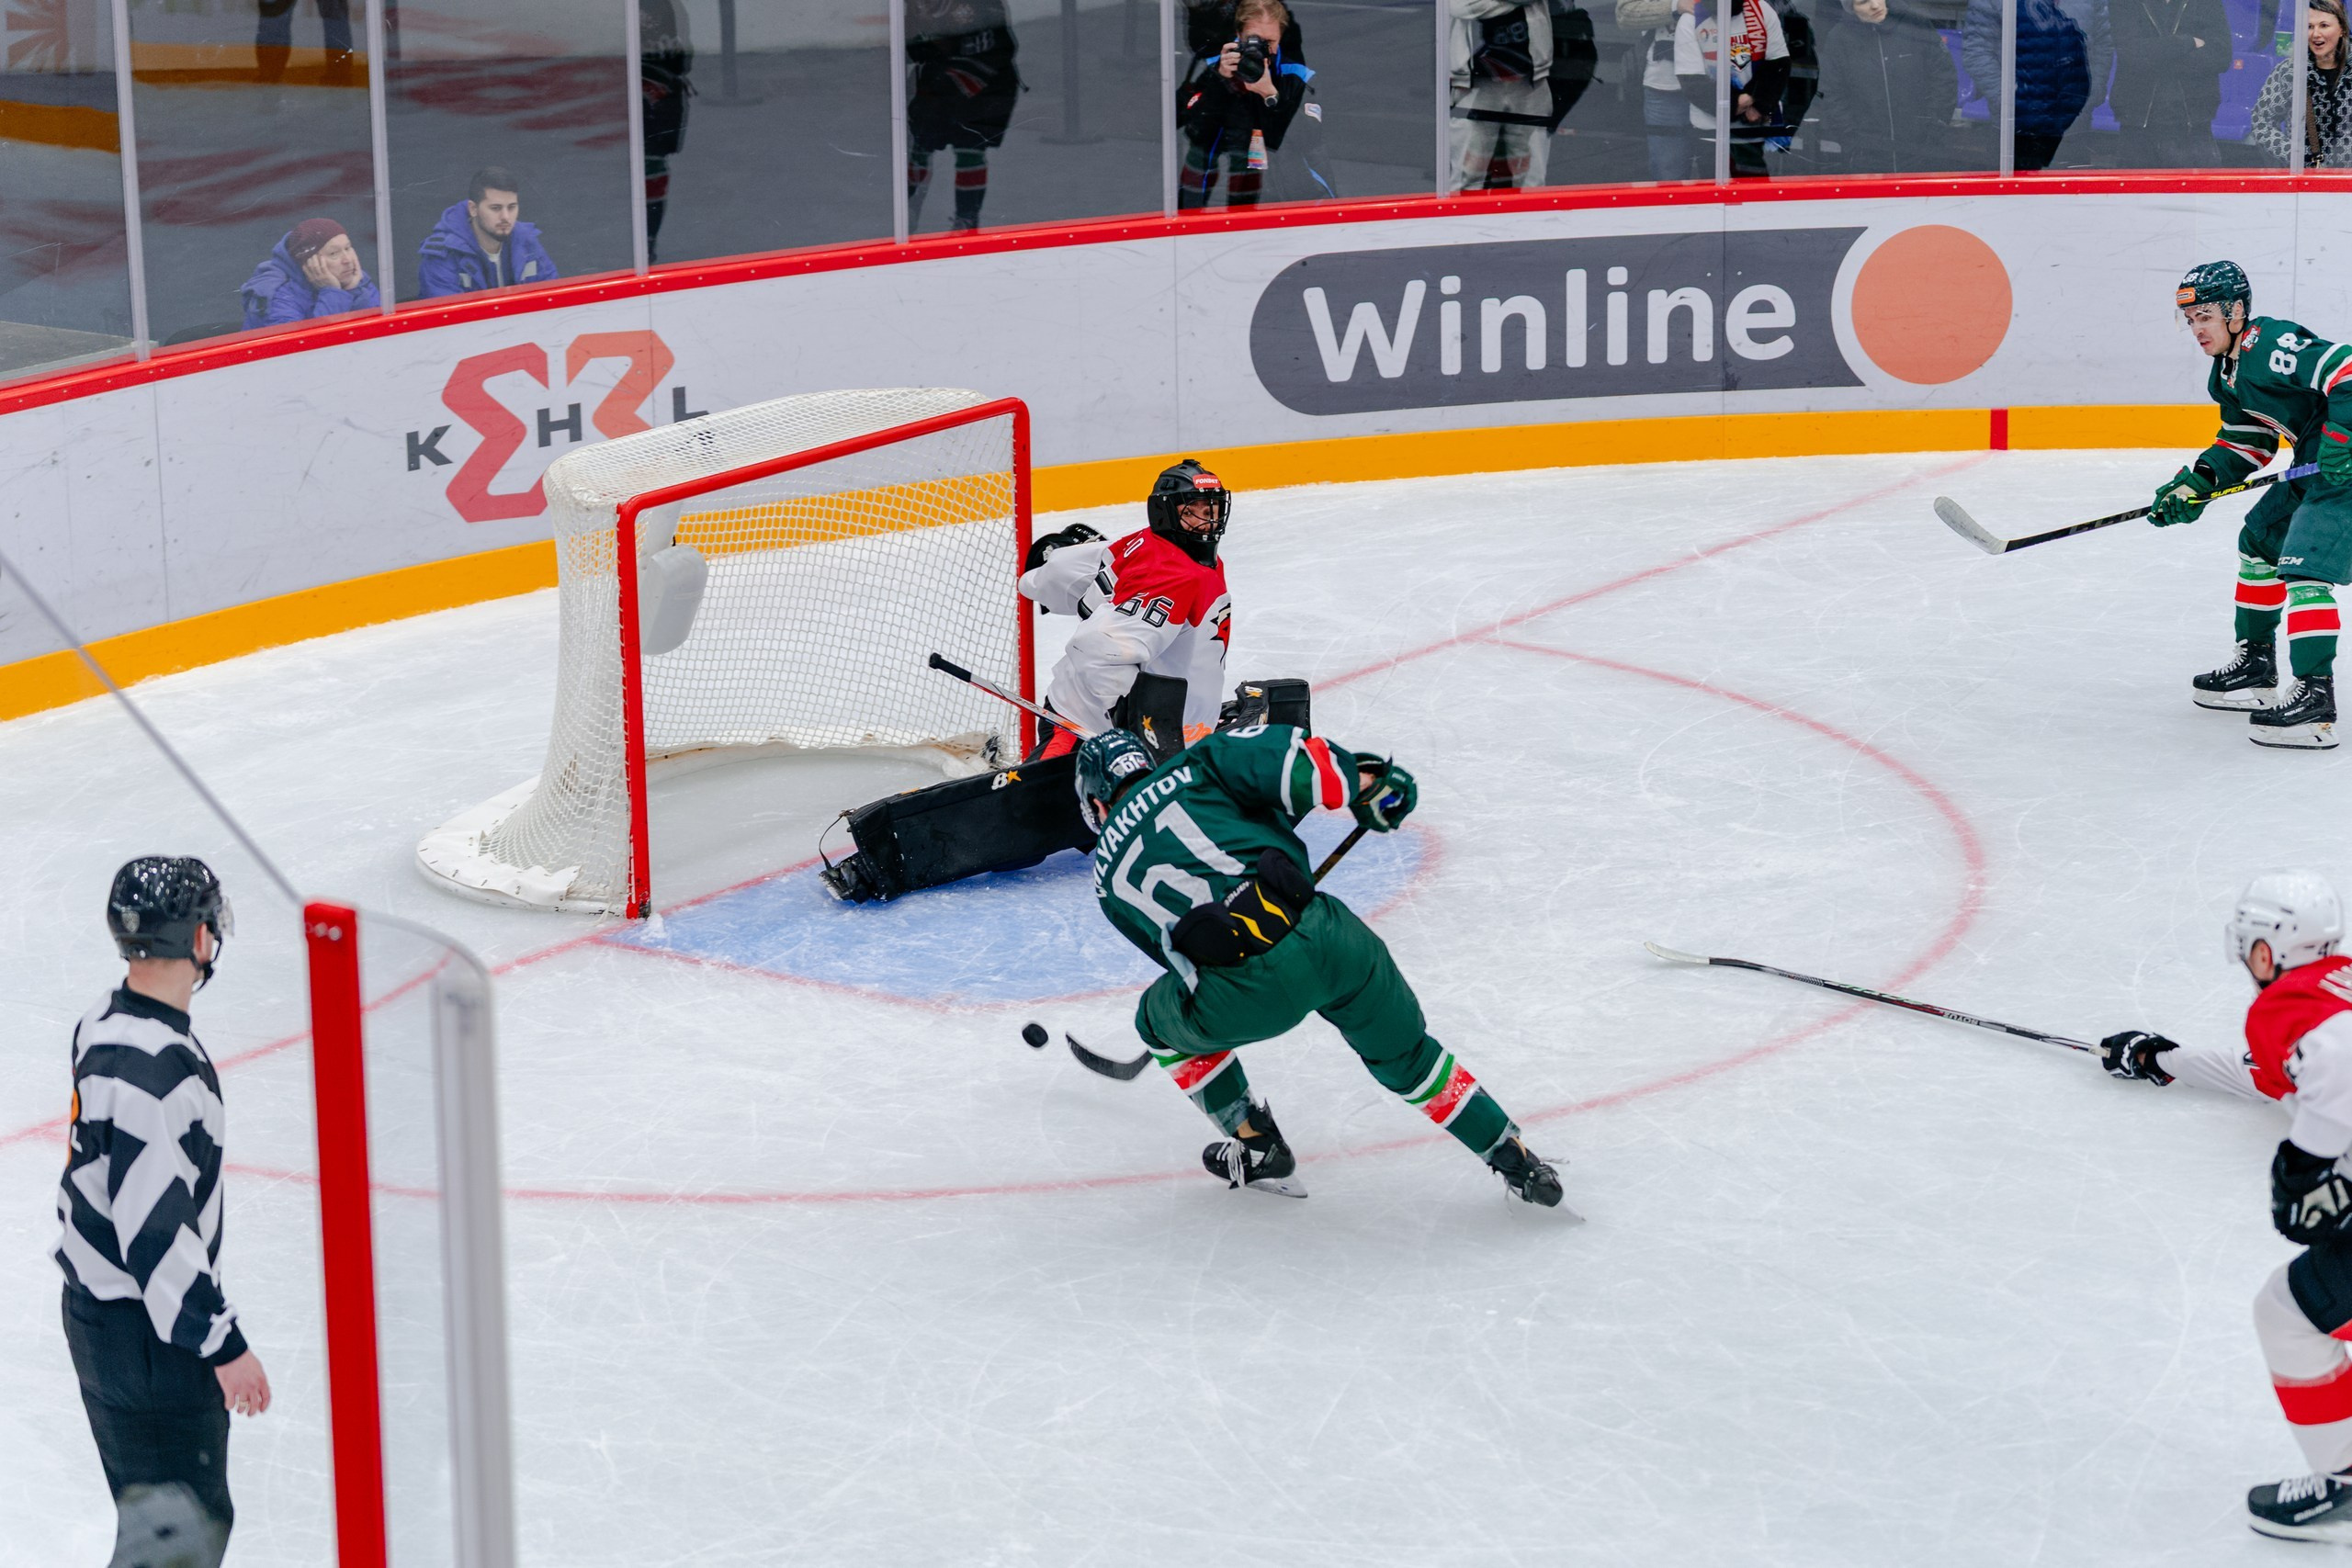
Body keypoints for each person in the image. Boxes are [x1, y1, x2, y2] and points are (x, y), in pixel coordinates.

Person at [1070, 725, 1566, 1205]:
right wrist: (1366, 786)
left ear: (1098, 803)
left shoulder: (1105, 880)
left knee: (1155, 1023)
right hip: (1331, 939)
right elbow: (1299, 767)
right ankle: (1512, 1155)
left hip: (1244, 996)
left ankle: (1256, 1143)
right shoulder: (1203, 762)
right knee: (1409, 1058)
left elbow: (1182, 961)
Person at [818, 462, 1249, 905]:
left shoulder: (1149, 545)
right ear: (1165, 513)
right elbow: (1100, 651)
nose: (1207, 520)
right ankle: (877, 861)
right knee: (1023, 820)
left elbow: (1072, 564)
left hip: (1159, 729)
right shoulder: (1175, 575)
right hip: (1095, 729)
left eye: (1212, 508)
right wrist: (1104, 728)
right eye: (1194, 511)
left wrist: (1039, 575)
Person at [2100, 872, 2352, 1539]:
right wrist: (2163, 1059)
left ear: (2267, 952)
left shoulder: (2298, 1012)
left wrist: (2310, 1161)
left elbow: (2335, 1065)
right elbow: (2272, 1076)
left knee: (2288, 1314)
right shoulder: (2334, 986)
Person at [56, 857, 267, 1567]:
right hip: (149, 1334)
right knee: (181, 1535)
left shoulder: (103, 1019)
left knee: (160, 1522)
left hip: (99, 1318)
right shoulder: (160, 1072)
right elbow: (153, 1230)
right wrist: (222, 1343)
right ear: (199, 939)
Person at [2152, 260, 2351, 749]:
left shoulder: (2269, 344)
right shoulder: (2227, 374)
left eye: (2205, 317)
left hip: (2344, 470)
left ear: (2236, 311)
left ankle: (2314, 698)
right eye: (2191, 320)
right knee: (2259, 541)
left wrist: (2343, 435)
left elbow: (2347, 367)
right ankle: (2258, 666)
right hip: (2316, 464)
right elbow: (2248, 442)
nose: (2197, 330)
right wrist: (2195, 483)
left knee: (2303, 567)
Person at [1178, 0, 1315, 209]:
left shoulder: (1290, 70)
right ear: (1238, 36)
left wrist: (1270, 93)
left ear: (1281, 38)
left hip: (1253, 155)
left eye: (1269, 42)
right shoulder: (1220, 59)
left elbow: (1289, 138)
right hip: (1209, 150)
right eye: (1254, 40)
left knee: (1245, 210)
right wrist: (1221, 79)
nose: (1260, 49)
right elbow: (1198, 130)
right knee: (1191, 200)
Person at [905, 0, 1021, 233]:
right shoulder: (913, 4)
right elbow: (910, 45)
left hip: (987, 80)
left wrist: (942, 49)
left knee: (970, 147)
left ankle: (967, 219)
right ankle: (908, 209)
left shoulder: (981, 5)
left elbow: (1000, 46)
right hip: (938, 77)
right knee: (919, 143)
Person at [1962, 0, 2105, 169]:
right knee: (2012, 193)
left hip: (2074, 129)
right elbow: (1976, 50)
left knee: (2071, 193)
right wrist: (2011, 102)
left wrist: (2086, 96)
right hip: (2014, 132)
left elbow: (2104, 46)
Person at [1819, 0, 1958, 173]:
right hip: (1866, 157)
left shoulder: (1915, 25)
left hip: (1921, 151)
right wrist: (1852, 139)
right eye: (1863, 2)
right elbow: (1831, 93)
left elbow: (1944, 77)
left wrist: (1935, 126)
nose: (1875, 5)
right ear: (1851, 9)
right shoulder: (1839, 38)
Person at [1675, 0, 1791, 177]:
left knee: (1757, 195)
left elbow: (1778, 63)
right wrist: (1737, 103)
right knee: (1713, 196)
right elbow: (1692, 81)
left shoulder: (1761, 9)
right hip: (1710, 129)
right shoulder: (1691, 18)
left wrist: (1756, 102)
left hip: (1757, 125)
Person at [1450, 0, 1555, 190]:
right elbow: (1457, 6)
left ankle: (1530, 218)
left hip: (1529, 79)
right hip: (1475, 81)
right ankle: (1465, 219)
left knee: (1531, 178)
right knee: (1469, 174)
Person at [2109, 0, 2228, 166]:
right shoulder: (2126, 3)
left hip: (2193, 125)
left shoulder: (2205, 3)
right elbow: (2133, 54)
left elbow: (2221, 57)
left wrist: (2159, 57)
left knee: (2198, 192)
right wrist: (2188, 42)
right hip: (2137, 125)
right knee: (2136, 192)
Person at [416, 168, 560, 299]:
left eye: (511, 207)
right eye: (496, 208)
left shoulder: (528, 242)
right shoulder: (443, 255)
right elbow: (449, 317)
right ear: (473, 209)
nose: (506, 217)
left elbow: (553, 298)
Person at [2251, 0, 2352, 167]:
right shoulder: (2290, 71)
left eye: (2324, 25)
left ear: (2342, 29)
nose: (2315, 34)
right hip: (2306, 180)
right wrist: (2297, 156)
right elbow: (2262, 121)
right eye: (2309, 27)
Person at [237, 218, 378, 328]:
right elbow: (306, 353)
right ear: (310, 263)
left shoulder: (353, 277)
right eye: (334, 253)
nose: (347, 260)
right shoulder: (278, 297)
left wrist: (354, 290)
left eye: (347, 248)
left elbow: (375, 332)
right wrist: (333, 293)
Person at [641, 0, 694, 262]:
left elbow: (682, 57)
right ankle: (646, 243)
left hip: (659, 103)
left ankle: (648, 243)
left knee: (653, 168)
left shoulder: (669, 8)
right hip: (645, 99)